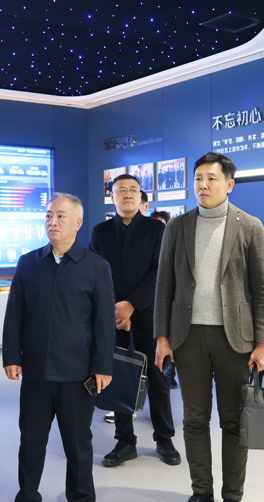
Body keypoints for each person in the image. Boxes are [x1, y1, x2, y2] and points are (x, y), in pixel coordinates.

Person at [154, 152, 264, 502]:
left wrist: (262, 343)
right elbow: (164, 286)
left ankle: (232, 495)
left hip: (235, 340)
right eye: (198, 179)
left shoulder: (249, 226)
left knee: (234, 421)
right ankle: (201, 492)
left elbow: (261, 290)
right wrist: (162, 337)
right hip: (187, 337)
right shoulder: (177, 226)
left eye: (211, 178)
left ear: (229, 184)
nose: (202, 185)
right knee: (194, 419)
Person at [3, 192, 115, 502]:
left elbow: (104, 321)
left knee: (78, 444)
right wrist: (11, 355)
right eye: (49, 216)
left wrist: (102, 365)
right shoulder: (29, 263)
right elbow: (14, 314)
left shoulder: (96, 266)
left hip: (77, 374)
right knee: (31, 441)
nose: (52, 221)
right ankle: (27, 495)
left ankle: (81, 497)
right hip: (35, 372)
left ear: (78, 223)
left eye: (61, 216)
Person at [90, 174, 180, 468]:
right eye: (120, 190)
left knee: (157, 379)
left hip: (149, 317)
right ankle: (125, 441)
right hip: (113, 318)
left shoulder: (157, 229)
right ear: (112, 197)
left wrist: (131, 305)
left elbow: (160, 272)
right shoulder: (101, 232)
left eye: (133, 190)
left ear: (141, 196)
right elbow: (96, 273)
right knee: (117, 378)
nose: (127, 194)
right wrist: (117, 310)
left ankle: (164, 438)